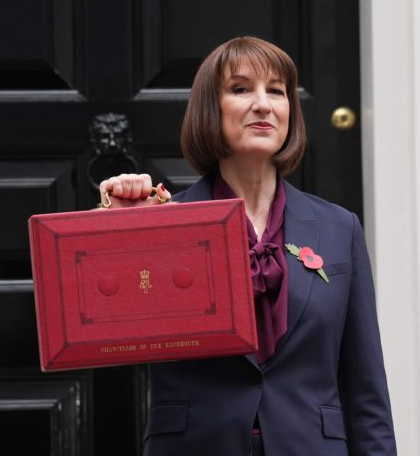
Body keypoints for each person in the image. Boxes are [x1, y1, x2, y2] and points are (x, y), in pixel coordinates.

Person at [99, 36, 396, 456]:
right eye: (241, 89)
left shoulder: (338, 227)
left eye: (276, 90)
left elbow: (366, 385)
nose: (263, 104)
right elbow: (105, 332)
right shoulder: (162, 221)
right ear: (210, 108)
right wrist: (123, 230)